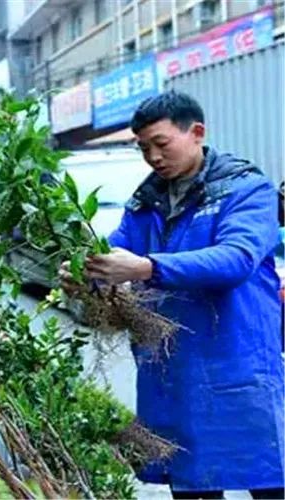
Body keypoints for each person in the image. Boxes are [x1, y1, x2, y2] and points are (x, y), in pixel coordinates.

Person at [62, 91, 283, 498]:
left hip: (237, 361)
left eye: (161, 144)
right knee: (191, 483)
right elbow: (115, 252)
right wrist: (87, 274)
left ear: (196, 132)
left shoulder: (246, 190)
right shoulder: (144, 203)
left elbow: (236, 259)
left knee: (268, 479)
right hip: (174, 369)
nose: (153, 157)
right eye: (144, 148)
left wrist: (148, 267)